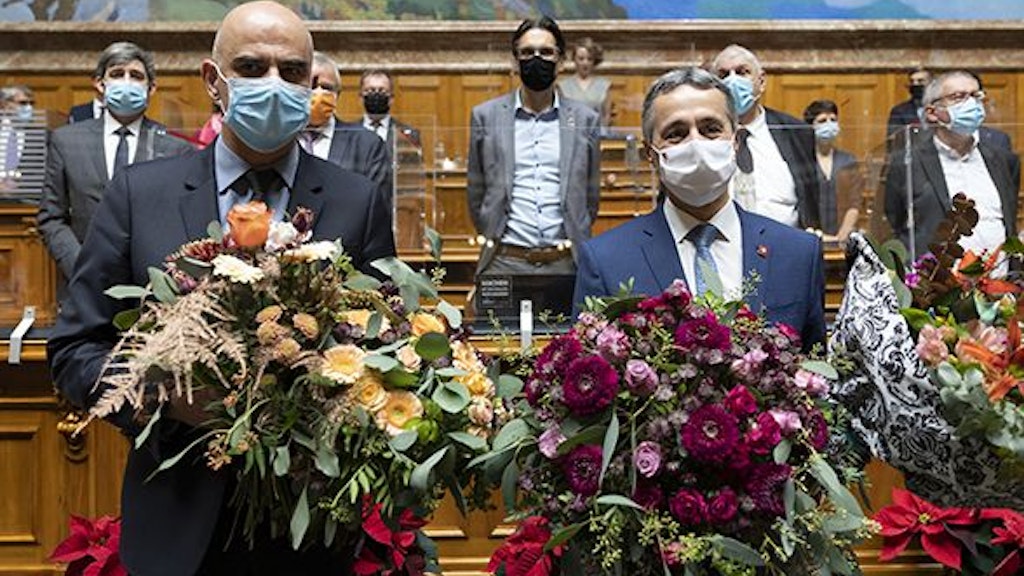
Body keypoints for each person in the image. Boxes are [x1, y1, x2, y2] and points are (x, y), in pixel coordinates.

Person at [46, 2, 396, 575]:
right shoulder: (139, 195)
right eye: (252, 68)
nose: (273, 84)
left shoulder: (357, 201)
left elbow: (390, 348)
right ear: (214, 80)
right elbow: (74, 349)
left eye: (291, 71)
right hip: (177, 525)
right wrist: (163, 396)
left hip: (312, 534)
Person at [573, 66, 825, 350]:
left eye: (711, 129)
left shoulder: (798, 253)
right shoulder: (606, 260)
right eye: (676, 133)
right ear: (650, 155)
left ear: (735, 142)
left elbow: (813, 366)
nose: (696, 144)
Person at [36, 41, 194, 282]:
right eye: (117, 74)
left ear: (151, 88)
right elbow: (51, 217)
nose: (126, 82)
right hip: (81, 281)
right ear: (100, 84)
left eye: (136, 76)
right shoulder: (66, 141)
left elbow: (180, 222)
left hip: (151, 286)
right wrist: (82, 268)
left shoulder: (176, 150)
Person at [466, 15, 601, 279]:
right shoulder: (486, 116)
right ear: (514, 61)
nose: (536, 59)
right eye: (527, 52)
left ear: (561, 61)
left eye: (546, 52)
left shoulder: (585, 119)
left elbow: (591, 195)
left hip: (566, 260)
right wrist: (489, 227)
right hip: (504, 259)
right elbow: (476, 190)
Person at [884, 70, 1020, 260]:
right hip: (938, 276)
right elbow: (894, 222)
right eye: (958, 97)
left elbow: (1009, 217)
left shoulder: (1003, 159)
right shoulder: (907, 163)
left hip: (999, 275)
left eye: (976, 96)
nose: (971, 104)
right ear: (932, 113)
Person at [711, 44, 821, 231]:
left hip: (786, 242)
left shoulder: (795, 131)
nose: (732, 81)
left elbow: (812, 198)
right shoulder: (700, 135)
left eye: (742, 72)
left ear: (761, 82)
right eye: (723, 75)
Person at [303, 51, 392, 204]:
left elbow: (377, 204)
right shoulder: (279, 138)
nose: (319, 94)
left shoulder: (368, 144)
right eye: (311, 86)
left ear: (337, 95)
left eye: (327, 88)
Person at [803, 99, 862, 244]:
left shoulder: (848, 161)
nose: (829, 125)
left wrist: (842, 235)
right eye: (822, 121)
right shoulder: (804, 161)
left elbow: (854, 202)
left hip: (843, 237)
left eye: (833, 120)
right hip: (811, 237)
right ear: (810, 126)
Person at [359, 69, 421, 153]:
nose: (376, 95)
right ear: (361, 98)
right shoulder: (348, 133)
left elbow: (412, 161)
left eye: (382, 91)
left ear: (391, 99)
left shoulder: (408, 135)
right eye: (370, 90)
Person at [557, 37, 611, 129]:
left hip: (597, 133)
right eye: (581, 59)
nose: (585, 63)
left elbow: (606, 116)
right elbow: (562, 116)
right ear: (574, 59)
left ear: (594, 61)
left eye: (589, 59)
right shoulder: (563, 86)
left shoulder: (604, 85)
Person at [0, 85, 35, 184]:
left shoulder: (44, 137)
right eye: (23, 103)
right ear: (5, 105)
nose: (29, 107)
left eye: (31, 103)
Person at [886, 67, 931, 137]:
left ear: (931, 83)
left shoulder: (941, 108)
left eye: (920, 81)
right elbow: (893, 137)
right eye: (912, 81)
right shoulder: (899, 111)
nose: (915, 84)